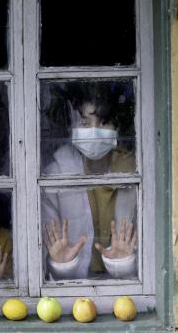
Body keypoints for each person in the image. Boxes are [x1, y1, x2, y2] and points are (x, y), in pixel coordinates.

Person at [41, 81, 137, 280]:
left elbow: (145, 254)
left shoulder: (135, 174)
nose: (93, 132)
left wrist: (123, 264)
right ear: (72, 128)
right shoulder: (55, 177)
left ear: (117, 127)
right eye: (85, 123)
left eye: (103, 123)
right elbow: (51, 254)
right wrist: (63, 265)